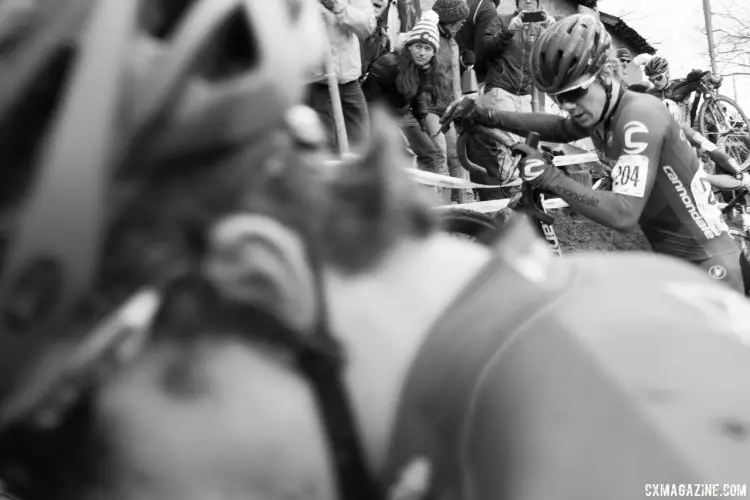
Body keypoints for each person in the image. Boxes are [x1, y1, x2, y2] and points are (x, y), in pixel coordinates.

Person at [2, 2, 750, 500]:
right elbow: (556, 131)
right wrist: (491, 109)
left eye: (74, 456)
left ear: (262, 278)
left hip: (705, 255)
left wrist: (547, 171)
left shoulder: (632, 442)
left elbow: (618, 208)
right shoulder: (522, 390)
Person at [452, 14, 748, 294]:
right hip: (672, 265)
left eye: (571, 94)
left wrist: (550, 176)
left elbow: (623, 214)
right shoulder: (604, 112)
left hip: (709, 271)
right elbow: (559, 128)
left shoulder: (638, 118)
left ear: (606, 74)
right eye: (557, 97)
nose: (565, 105)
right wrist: (486, 115)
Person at [467, 0, 555, 199]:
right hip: (500, 89)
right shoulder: (502, 20)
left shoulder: (542, 28)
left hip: (525, 94)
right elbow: (484, 49)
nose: (528, 1)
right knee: (508, 145)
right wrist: (508, 30)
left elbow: (554, 60)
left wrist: (553, 32)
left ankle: (529, 196)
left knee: (531, 145)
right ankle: (512, 196)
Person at [362, 10, 451, 201]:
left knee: (431, 153)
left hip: (404, 114)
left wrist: (422, 121)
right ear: (409, 47)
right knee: (396, 157)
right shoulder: (389, 65)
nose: (422, 52)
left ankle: (424, 200)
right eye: (418, 46)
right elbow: (368, 96)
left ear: (434, 53)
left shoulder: (426, 68)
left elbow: (417, 95)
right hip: (380, 114)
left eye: (428, 49)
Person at [307, 0, 375, 153]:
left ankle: (355, 175)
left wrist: (337, 6)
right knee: (324, 146)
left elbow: (367, 27)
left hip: (350, 82)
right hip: (316, 83)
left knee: (360, 142)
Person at [431, 0, 476, 203]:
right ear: (448, 19)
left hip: (448, 108)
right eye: (460, 19)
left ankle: (464, 207)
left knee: (456, 156)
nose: (463, 23)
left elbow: (453, 78)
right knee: (439, 157)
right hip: (431, 108)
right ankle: (442, 212)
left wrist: (459, 107)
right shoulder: (431, 38)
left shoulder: (451, 40)